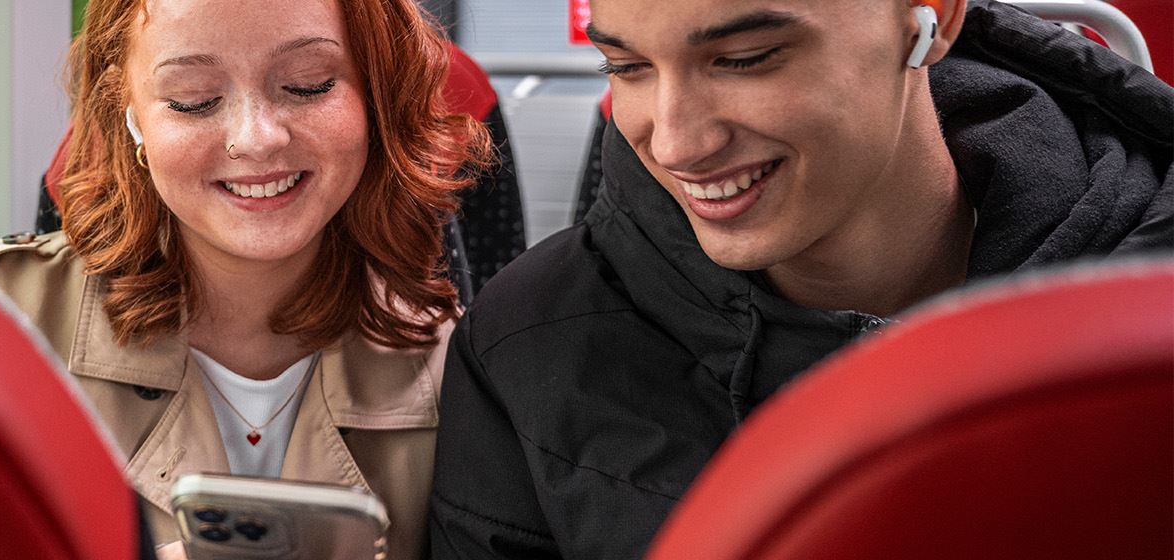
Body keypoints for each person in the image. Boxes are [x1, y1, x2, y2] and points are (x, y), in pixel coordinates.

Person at [429, 0, 1172, 558]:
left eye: (746, 57)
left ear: (930, 19)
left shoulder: (1147, 304)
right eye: (626, 67)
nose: (679, 140)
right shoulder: (526, 342)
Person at [0, 0, 489, 557]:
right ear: (130, 110)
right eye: (195, 100)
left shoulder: (461, 367)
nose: (256, 138)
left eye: (308, 85)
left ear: (376, 93)